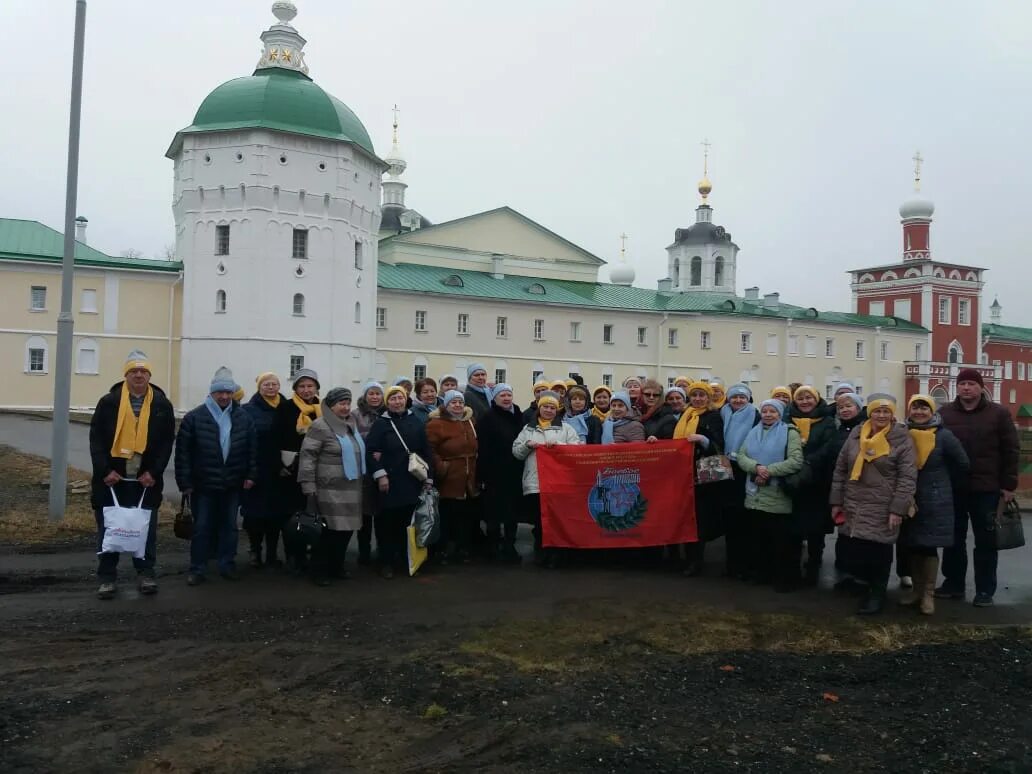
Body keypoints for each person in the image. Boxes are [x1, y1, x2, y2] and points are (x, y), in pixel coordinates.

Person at [88, 349, 176, 599]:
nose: (138, 375)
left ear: (149, 375)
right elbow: (96, 440)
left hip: (145, 480)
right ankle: (107, 578)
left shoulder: (160, 404)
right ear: (126, 374)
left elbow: (166, 443)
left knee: (144, 530)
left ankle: (145, 574)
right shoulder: (109, 402)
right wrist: (106, 471)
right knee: (110, 529)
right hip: (112, 480)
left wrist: (154, 472)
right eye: (133, 371)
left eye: (143, 371)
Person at [937, 368, 1020, 607]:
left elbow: (1011, 450)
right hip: (954, 487)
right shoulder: (945, 414)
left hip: (987, 488)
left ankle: (985, 590)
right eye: (962, 383)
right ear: (957, 387)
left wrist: (1008, 485)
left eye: (971, 384)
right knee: (953, 538)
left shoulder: (998, 414)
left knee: (986, 541)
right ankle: (953, 583)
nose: (966, 388)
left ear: (981, 387)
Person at [829, 393, 917, 614]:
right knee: (858, 547)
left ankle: (877, 595)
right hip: (855, 500)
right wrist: (836, 501)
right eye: (877, 411)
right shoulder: (858, 434)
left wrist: (898, 508)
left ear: (892, 414)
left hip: (883, 503)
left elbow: (907, 477)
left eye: (886, 411)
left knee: (880, 549)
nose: (881, 415)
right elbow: (841, 468)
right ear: (870, 412)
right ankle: (864, 586)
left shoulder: (901, 438)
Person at [175, 366, 257, 586]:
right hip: (203, 485)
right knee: (202, 528)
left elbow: (252, 449)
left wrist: (250, 474)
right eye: (219, 392)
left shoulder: (242, 418)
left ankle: (227, 564)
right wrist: (185, 482)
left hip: (232, 482)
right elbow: (183, 453)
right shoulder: (195, 417)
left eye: (228, 392)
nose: (224, 396)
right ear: (211, 392)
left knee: (230, 527)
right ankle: (197, 568)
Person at [899, 394, 969, 614]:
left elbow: (963, 463)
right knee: (911, 544)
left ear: (932, 412)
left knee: (928, 546)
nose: (919, 412)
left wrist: (943, 483)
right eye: (915, 408)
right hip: (909, 496)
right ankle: (917, 591)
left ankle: (928, 595)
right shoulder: (902, 434)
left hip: (935, 499)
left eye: (924, 409)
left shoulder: (944, 436)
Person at [297, 388, 366, 586]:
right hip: (329, 488)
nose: (345, 407)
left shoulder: (350, 423)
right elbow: (308, 456)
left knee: (346, 532)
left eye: (348, 403)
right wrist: (308, 485)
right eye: (341, 403)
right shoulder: (320, 425)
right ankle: (319, 570)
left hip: (352, 487)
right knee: (329, 532)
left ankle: (337, 566)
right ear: (330, 405)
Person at [365, 385, 434, 579]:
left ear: (406, 399)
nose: (397, 402)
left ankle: (407, 560)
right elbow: (370, 452)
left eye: (400, 398)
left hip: (412, 480)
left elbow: (426, 450)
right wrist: (380, 474)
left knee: (408, 523)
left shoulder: (416, 421)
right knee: (387, 524)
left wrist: (429, 477)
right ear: (387, 402)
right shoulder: (381, 424)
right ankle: (386, 562)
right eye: (393, 399)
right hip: (389, 482)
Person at [736, 399, 804, 591]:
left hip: (777, 494)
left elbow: (796, 460)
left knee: (781, 541)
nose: (767, 414)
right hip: (754, 494)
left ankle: (782, 578)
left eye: (772, 411)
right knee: (759, 539)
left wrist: (768, 471)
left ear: (780, 414)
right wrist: (756, 468)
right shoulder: (753, 431)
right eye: (764, 411)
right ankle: (761, 573)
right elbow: (742, 456)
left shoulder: (790, 432)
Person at [512, 391, 582, 567]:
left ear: (557, 409)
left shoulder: (566, 429)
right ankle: (540, 554)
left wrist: (560, 446)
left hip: (558, 483)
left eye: (552, 407)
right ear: (539, 408)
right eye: (545, 407)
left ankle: (558, 556)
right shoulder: (528, 429)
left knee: (557, 521)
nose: (549, 410)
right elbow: (517, 452)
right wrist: (528, 446)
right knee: (539, 521)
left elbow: (577, 450)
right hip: (535, 483)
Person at [675, 381, 726, 576]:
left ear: (708, 397)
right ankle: (688, 557)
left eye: (701, 395)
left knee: (701, 517)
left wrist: (703, 440)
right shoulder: (685, 414)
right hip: (685, 470)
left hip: (706, 469)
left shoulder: (713, 416)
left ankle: (696, 560)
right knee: (687, 515)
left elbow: (720, 444)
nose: (697, 399)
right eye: (694, 395)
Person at [241, 372, 290, 569]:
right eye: (266, 384)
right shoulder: (248, 410)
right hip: (258, 470)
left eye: (274, 384)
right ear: (259, 387)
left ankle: (271, 553)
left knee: (276, 516)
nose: (271, 387)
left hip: (281, 472)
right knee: (254, 515)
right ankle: (255, 551)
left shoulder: (287, 408)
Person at [787, 385, 833, 585]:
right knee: (794, 530)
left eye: (809, 398)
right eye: (801, 398)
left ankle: (813, 567)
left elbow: (828, 448)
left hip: (817, 482)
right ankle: (794, 570)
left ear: (816, 399)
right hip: (793, 481)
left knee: (816, 530)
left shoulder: (827, 422)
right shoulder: (787, 420)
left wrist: (807, 463)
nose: (805, 401)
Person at [426, 390, 480, 563]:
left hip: (468, 475)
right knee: (447, 515)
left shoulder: (470, 421)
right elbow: (429, 449)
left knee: (465, 516)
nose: (457, 405)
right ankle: (442, 551)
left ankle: (462, 549)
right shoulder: (436, 423)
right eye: (453, 402)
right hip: (449, 476)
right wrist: (441, 466)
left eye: (460, 402)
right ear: (446, 405)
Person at [278, 368, 322, 574]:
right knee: (293, 515)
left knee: (313, 514)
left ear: (316, 388)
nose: (306, 390)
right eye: (302, 386)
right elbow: (276, 438)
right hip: (292, 470)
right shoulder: (286, 408)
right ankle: (294, 556)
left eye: (310, 386)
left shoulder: (323, 409)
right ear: (295, 388)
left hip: (318, 470)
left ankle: (311, 553)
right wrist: (281, 466)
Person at [476, 383, 525, 562]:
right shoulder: (487, 418)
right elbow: (482, 448)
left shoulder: (519, 415)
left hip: (515, 472)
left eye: (508, 395)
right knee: (494, 514)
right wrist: (482, 475)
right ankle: (493, 547)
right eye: (502, 395)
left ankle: (509, 545)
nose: (506, 398)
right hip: (494, 474)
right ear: (494, 398)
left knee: (512, 514)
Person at [719, 383, 760, 579]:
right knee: (729, 516)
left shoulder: (756, 415)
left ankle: (746, 565)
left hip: (744, 467)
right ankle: (731, 564)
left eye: (742, 397)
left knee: (745, 519)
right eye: (734, 397)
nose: (738, 400)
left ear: (748, 399)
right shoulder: (722, 412)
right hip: (723, 465)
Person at [354, 380, 385, 565]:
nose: (374, 397)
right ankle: (363, 551)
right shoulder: (355, 415)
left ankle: (382, 550)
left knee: (382, 514)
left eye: (378, 393)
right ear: (365, 396)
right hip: (363, 470)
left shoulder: (387, 414)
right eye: (371, 393)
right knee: (364, 515)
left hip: (384, 470)